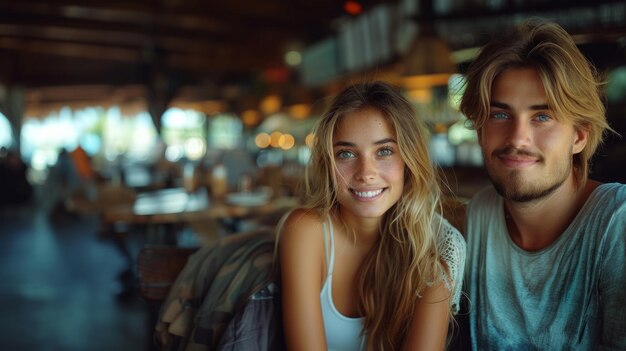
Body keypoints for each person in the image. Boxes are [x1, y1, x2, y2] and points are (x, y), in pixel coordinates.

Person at [459, 20, 626, 349]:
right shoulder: (481, 213)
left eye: (542, 116)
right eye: (500, 115)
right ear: (479, 131)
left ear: (579, 137)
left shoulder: (616, 222)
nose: (518, 138)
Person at [278, 81, 466, 350]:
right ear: (328, 164)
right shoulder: (306, 230)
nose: (365, 172)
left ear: (409, 161)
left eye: (384, 151)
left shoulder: (436, 252)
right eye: (346, 154)